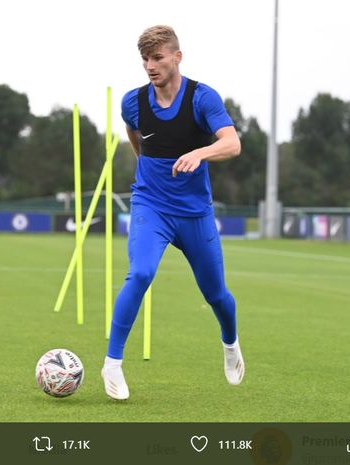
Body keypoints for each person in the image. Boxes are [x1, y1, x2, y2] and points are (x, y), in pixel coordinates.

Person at [101, 25, 245, 400]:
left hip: (195, 214)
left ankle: (230, 344)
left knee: (216, 295)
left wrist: (200, 153)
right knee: (141, 272)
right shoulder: (133, 102)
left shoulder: (202, 98)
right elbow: (136, 136)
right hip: (151, 205)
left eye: (158, 57)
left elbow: (231, 143)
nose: (150, 66)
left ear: (177, 57)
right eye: (145, 59)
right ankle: (112, 363)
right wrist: (148, 171)